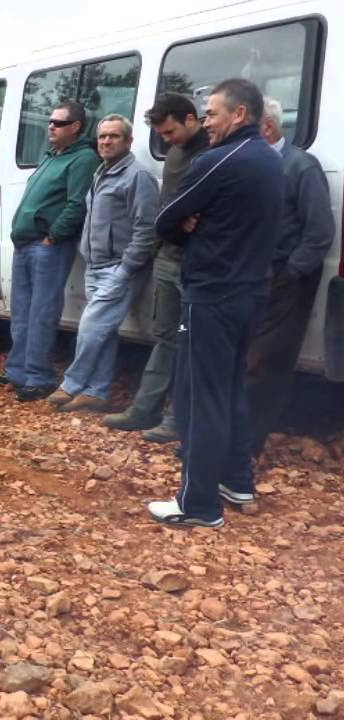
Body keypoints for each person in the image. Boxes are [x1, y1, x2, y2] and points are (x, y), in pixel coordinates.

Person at [147, 78, 283, 527]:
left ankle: (198, 504)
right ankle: (236, 479)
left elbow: (165, 219)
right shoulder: (269, 158)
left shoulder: (216, 160)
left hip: (212, 293)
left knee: (199, 396)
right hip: (252, 292)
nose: (206, 120)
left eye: (212, 113)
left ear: (238, 114)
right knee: (229, 389)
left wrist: (189, 225)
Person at [103, 93, 211, 441]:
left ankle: (178, 418)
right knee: (165, 337)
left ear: (191, 119)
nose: (166, 141)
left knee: (193, 342)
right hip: (168, 257)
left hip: (196, 261)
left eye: (170, 132)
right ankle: (144, 410)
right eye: (162, 135)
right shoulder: (177, 152)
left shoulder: (214, 152)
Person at [48, 115, 159, 412]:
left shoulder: (138, 176)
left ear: (129, 141)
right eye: (103, 137)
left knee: (90, 326)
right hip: (95, 265)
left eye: (114, 136)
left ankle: (72, 383)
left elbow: (146, 229)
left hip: (119, 267)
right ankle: (96, 392)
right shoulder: (101, 172)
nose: (107, 141)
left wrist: (126, 269)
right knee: (104, 330)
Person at [0, 101, 100, 401]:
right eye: (50, 121)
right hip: (26, 244)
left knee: (41, 312)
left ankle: (39, 376)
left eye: (58, 122)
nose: (50, 126)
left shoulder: (83, 159)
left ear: (75, 127)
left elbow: (77, 203)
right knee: (22, 312)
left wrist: (53, 236)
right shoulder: (53, 156)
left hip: (47, 246)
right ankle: (18, 371)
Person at [245, 97, 333, 457]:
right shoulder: (254, 166)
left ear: (267, 127)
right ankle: (230, 437)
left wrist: (289, 273)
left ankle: (244, 447)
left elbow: (319, 233)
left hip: (285, 283)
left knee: (264, 365)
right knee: (244, 361)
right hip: (250, 279)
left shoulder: (300, 166)